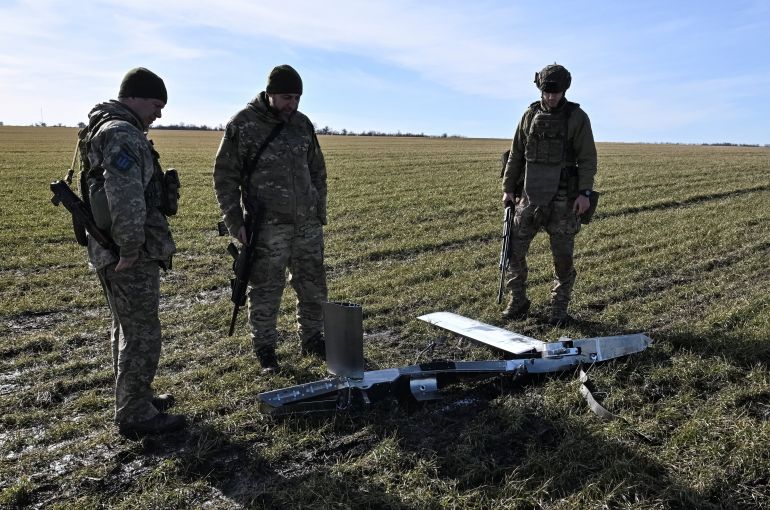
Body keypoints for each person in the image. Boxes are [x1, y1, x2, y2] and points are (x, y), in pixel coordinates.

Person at [83, 67, 186, 437]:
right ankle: (135, 414)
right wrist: (129, 247)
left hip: (110, 247)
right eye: (156, 105)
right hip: (128, 251)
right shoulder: (122, 133)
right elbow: (124, 196)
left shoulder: (104, 127)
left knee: (124, 328)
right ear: (135, 98)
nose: (159, 114)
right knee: (142, 332)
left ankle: (135, 397)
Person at [213, 65, 328, 373]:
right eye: (287, 97)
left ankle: (313, 339)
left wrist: (319, 210)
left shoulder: (302, 125)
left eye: (297, 98)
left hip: (306, 224)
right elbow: (225, 177)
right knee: (265, 289)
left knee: (313, 286)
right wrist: (235, 221)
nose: (293, 104)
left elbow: (317, 170)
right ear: (270, 94)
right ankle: (265, 350)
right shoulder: (243, 124)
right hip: (266, 226)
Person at [500, 63, 597, 326]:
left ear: (565, 90)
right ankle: (518, 300)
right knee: (513, 251)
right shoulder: (529, 115)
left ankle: (558, 307)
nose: (551, 97)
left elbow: (587, 159)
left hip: (564, 199)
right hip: (530, 197)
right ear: (540, 89)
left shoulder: (578, 118)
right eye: (547, 92)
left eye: (556, 92)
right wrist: (508, 188)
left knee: (562, 257)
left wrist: (584, 193)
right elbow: (516, 154)